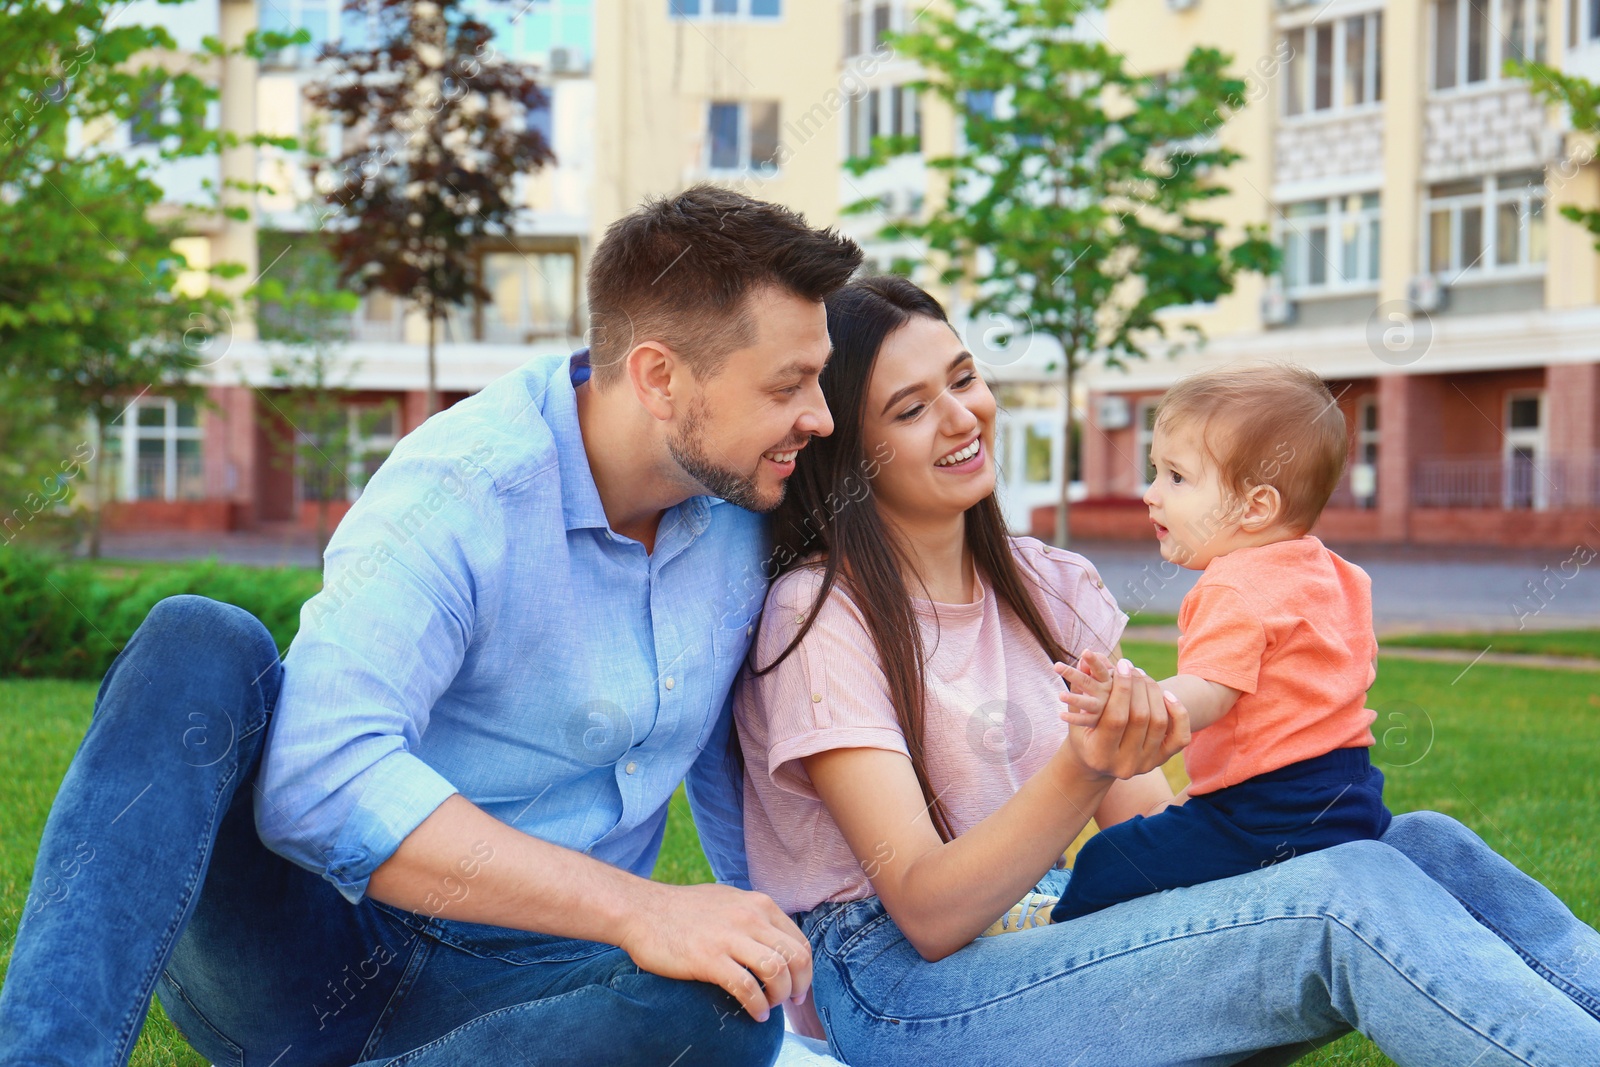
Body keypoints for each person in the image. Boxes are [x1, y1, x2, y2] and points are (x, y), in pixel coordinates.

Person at [0, 185, 862, 1067]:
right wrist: (638, 909)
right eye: (788, 385)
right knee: (199, 640)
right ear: (658, 377)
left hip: (535, 984)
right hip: (305, 949)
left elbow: (734, 757)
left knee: (724, 1018)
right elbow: (317, 779)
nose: (819, 417)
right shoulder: (460, 487)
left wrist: (781, 960)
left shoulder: (747, 502)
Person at [733, 274, 1600, 1066]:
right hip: (900, 992)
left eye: (963, 378)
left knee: (1419, 846)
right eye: (911, 409)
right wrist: (1085, 764)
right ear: (851, 451)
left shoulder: (1050, 585)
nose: (963, 416)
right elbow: (926, 913)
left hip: (1042, 919)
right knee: (1344, 897)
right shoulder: (823, 617)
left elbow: (1152, 823)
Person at [1048, 363, 1391, 922]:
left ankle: (1051, 929)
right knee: (1174, 831)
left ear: (1255, 507)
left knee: (1111, 857)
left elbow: (1211, 690)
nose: (1150, 494)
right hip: (1352, 798)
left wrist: (1134, 698)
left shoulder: (1233, 584)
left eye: (1177, 478)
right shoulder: (1338, 574)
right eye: (1156, 471)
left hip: (1266, 811)